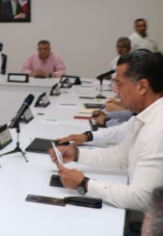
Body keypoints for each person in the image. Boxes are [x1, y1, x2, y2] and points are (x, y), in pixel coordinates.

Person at [50, 50, 163, 212]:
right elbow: (120, 156)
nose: (115, 90)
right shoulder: (144, 117)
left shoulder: (157, 127)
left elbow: (142, 199)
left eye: (119, 84)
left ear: (142, 87)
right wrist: (76, 154)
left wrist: (84, 184)